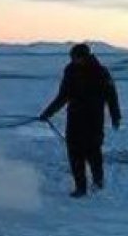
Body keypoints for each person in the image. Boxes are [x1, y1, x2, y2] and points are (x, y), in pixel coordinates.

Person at [39, 43, 122, 197]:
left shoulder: (101, 72)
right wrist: (48, 113)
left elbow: (112, 96)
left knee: (93, 152)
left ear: (85, 57)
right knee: (74, 153)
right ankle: (80, 187)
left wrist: (115, 116)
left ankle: (98, 182)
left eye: (76, 58)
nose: (74, 61)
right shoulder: (70, 70)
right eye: (72, 58)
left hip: (94, 119)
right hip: (75, 118)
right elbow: (63, 95)